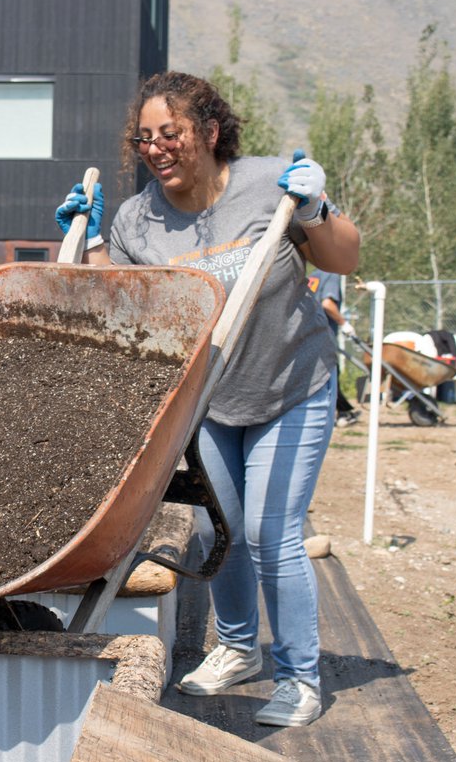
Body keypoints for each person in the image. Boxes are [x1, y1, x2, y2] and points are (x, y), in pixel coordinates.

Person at [54, 71, 360, 727]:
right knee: (221, 529)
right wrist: (93, 240)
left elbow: (346, 256)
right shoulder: (140, 219)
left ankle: (300, 678)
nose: (157, 148)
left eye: (172, 133)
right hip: (212, 398)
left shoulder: (267, 184)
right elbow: (117, 302)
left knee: (269, 531)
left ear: (210, 132)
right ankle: (240, 647)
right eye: (145, 139)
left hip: (289, 383)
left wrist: (314, 210)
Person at [308, 269, 360, 427]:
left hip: (308, 335)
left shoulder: (313, 275)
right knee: (330, 377)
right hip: (324, 336)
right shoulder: (331, 273)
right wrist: (344, 323)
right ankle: (344, 412)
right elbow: (327, 303)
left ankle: (343, 411)